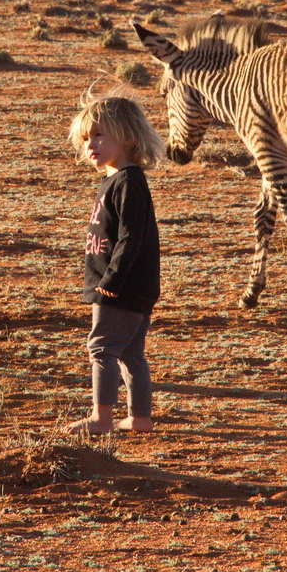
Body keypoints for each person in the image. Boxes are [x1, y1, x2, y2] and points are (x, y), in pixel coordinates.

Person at [65, 93, 166, 434]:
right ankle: (139, 418)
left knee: (102, 348)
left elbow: (130, 238)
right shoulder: (115, 181)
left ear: (125, 135)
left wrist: (111, 279)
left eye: (98, 134)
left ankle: (101, 418)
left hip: (119, 286)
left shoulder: (128, 182)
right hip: (127, 284)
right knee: (130, 353)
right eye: (85, 138)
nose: (90, 144)